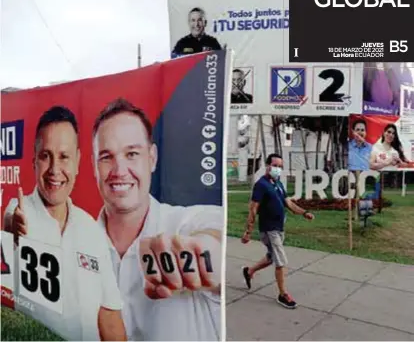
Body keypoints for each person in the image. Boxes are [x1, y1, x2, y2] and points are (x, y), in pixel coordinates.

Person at [91, 98, 223, 341]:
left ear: (151, 157)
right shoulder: (80, 241)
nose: (119, 170)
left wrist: (205, 256)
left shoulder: (185, 223)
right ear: (93, 165)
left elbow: (216, 235)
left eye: (132, 154)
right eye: (106, 156)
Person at [3, 106, 126, 341]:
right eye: (45, 156)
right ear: (34, 161)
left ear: (78, 162)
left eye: (64, 157)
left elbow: (110, 320)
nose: (54, 170)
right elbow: (9, 226)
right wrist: (10, 229)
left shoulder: (92, 230)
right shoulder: (18, 212)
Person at [240, 153, 315, 309]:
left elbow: (288, 203)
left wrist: (304, 212)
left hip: (279, 228)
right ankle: (282, 295)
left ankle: (249, 271)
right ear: (267, 166)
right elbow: (253, 208)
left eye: (280, 166)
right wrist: (248, 231)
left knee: (270, 257)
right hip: (269, 229)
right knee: (281, 262)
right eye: (275, 165)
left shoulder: (278, 183)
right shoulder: (261, 185)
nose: (278, 169)